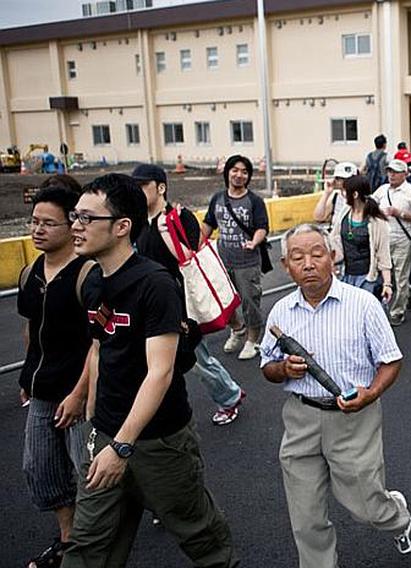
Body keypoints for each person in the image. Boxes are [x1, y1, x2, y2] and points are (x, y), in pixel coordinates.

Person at [63, 174, 236, 568]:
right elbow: (98, 349)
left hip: (159, 441)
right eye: (75, 215)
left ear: (122, 226)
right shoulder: (92, 281)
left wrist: (122, 445)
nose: (76, 225)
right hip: (106, 431)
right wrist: (92, 416)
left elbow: (160, 372)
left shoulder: (154, 284)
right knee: (88, 543)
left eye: (88, 218)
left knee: (198, 533)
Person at [260, 224, 411, 568]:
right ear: (287, 265)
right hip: (300, 417)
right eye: (298, 257)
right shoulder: (280, 312)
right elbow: (266, 367)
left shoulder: (363, 304)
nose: (308, 263)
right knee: (305, 515)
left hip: (353, 417)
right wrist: (284, 369)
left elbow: (391, 360)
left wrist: (371, 392)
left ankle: (397, 516)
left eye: (317, 254)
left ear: (333, 257)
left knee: (366, 506)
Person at [133, 164, 247, 426]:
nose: (137, 192)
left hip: (178, 304)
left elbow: (191, 256)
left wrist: (171, 226)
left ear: (161, 188)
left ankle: (229, 397)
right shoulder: (137, 223)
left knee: (197, 359)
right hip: (149, 303)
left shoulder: (178, 217)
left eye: (142, 186)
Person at [19, 185, 93, 568]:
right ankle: (68, 538)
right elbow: (32, 329)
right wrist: (26, 377)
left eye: (48, 223)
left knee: (87, 470)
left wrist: (80, 394)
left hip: (82, 391)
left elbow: (99, 344)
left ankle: (90, 543)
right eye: (35, 222)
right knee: (40, 466)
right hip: (42, 389)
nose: (38, 230)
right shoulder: (30, 272)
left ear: (72, 225)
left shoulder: (88, 275)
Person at [202, 154, 270, 360]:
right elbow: (208, 224)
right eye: (235, 170)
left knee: (250, 302)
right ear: (228, 172)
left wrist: (254, 242)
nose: (239, 175)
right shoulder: (218, 198)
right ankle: (237, 329)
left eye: (244, 172)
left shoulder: (254, 201)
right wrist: (194, 246)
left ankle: (252, 340)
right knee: (224, 301)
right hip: (223, 261)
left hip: (247, 262)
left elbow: (262, 227)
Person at [329, 175, 393, 302]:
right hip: (344, 275)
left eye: (345, 191)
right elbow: (333, 238)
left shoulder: (376, 222)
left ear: (355, 194)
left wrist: (387, 284)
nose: (343, 194)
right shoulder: (345, 212)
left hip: (366, 278)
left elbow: (383, 254)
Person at [373, 159, 411, 326]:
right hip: (383, 238)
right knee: (386, 276)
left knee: (401, 277)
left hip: (402, 238)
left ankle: (397, 311)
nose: (391, 175)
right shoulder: (382, 190)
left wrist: (398, 213)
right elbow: (370, 205)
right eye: (389, 171)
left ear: (404, 174)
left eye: (395, 171)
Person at [314, 161, 358, 232]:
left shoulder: (361, 197)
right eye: (339, 178)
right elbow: (319, 217)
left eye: (347, 179)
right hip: (336, 237)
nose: (344, 182)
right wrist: (326, 193)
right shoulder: (335, 196)